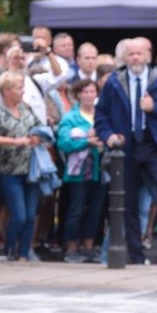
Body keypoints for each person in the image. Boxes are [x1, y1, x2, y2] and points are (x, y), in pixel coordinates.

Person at [93, 36, 157, 266]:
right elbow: (101, 116)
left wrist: (155, 108)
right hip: (127, 147)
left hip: (154, 147)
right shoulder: (114, 82)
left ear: (148, 56)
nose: (135, 57)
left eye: (139, 53)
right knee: (129, 202)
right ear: (124, 57)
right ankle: (136, 254)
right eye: (131, 53)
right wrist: (109, 136)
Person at [0, 72, 45, 260]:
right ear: (7, 91)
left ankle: (24, 254)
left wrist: (37, 136)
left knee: (30, 216)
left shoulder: (26, 110)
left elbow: (40, 127)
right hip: (9, 170)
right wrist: (13, 141)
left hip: (31, 169)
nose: (22, 91)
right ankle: (10, 249)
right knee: (18, 215)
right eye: (19, 88)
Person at [57, 80, 107, 264]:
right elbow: (63, 142)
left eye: (92, 91)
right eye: (85, 92)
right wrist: (86, 142)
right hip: (78, 172)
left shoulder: (102, 115)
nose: (89, 95)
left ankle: (89, 247)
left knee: (95, 210)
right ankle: (71, 248)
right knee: (76, 209)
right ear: (78, 95)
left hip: (99, 169)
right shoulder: (71, 117)